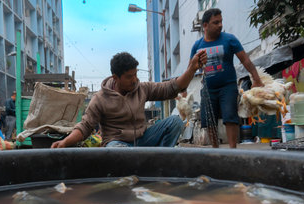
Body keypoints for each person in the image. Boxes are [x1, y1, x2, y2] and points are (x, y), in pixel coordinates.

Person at [52, 51, 207, 148]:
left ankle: (160, 161)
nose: (134, 80)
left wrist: (192, 68)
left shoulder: (142, 88)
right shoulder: (100, 99)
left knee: (174, 122)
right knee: (114, 149)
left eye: (135, 74)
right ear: (116, 78)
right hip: (117, 143)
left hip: (143, 139)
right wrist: (65, 142)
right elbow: (85, 126)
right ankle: (135, 165)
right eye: (129, 77)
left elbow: (172, 87)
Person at [190, 8, 264, 148]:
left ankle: (232, 150)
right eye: (215, 22)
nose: (220, 25)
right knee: (209, 121)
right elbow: (191, 68)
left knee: (230, 118)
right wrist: (182, 91)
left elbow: (245, 60)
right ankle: (215, 150)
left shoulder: (229, 39)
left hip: (228, 86)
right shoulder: (197, 46)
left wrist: (256, 79)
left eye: (221, 22)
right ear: (205, 25)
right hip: (207, 88)